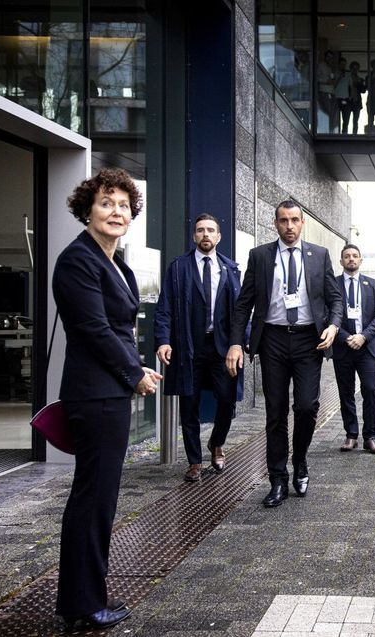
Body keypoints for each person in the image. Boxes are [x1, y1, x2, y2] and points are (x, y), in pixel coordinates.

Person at [53, 168, 161, 630]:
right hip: (94, 395)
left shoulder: (115, 262)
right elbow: (94, 330)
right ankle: (81, 604)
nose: (116, 211)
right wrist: (133, 373)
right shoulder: (78, 260)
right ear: (87, 210)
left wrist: (135, 369)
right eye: (106, 203)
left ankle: (85, 596)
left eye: (123, 205)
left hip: (108, 392)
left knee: (100, 498)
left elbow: (117, 328)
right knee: (93, 500)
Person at [226, 200, 344, 508]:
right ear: (275, 223)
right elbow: (244, 304)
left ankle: (300, 460)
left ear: (302, 222)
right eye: (283, 220)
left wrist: (333, 326)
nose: (289, 226)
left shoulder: (319, 256)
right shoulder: (260, 256)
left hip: (309, 341)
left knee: (306, 406)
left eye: (294, 220)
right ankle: (277, 479)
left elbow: (335, 299)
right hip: (273, 340)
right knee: (275, 413)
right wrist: (237, 342)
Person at [155, 214, 244, 482]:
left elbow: (241, 311)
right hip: (188, 347)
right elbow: (165, 307)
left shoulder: (230, 269)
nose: (205, 235)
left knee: (227, 402)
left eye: (210, 231)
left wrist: (242, 342)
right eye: (200, 230)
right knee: (189, 405)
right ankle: (194, 462)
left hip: (222, 348)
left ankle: (216, 443)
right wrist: (163, 340)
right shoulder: (179, 268)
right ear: (194, 236)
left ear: (218, 237)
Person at [331, 244, 375, 453]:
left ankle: (370, 437)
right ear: (341, 261)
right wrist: (347, 338)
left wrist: (363, 336)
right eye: (347, 256)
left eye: (355, 256)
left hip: (367, 347)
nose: (351, 259)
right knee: (346, 392)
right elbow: (328, 314)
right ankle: (351, 435)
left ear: (361, 260)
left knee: (370, 390)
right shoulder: (333, 284)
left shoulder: (372, 285)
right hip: (343, 347)